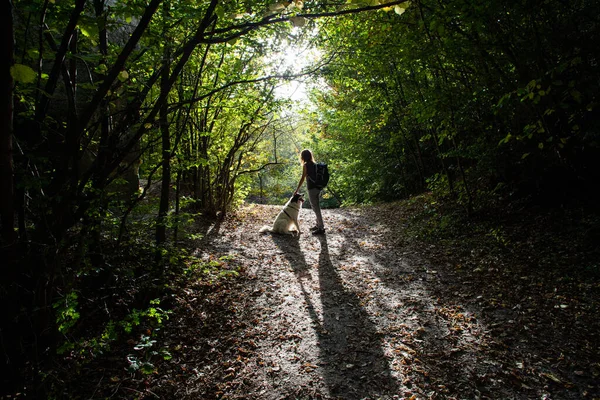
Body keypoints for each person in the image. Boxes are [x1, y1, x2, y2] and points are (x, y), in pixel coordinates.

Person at [294, 149, 325, 235]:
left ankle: (321, 228)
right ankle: (318, 225)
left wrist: (297, 190)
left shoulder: (306, 165)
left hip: (312, 189)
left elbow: (302, 178)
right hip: (318, 188)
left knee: (315, 208)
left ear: (303, 157)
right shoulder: (315, 165)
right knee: (316, 206)